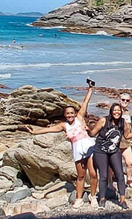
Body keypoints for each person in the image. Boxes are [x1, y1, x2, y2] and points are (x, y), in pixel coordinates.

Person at [27, 80, 98, 208]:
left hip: (89, 147)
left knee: (92, 174)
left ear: (75, 113)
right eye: (68, 114)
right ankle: (79, 199)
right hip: (77, 151)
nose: (70, 115)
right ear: (65, 115)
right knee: (81, 176)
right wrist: (35, 132)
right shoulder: (63, 125)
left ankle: (93, 197)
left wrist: (90, 90)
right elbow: (48, 129)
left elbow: (85, 103)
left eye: (72, 113)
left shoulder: (80, 118)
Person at [88, 102, 132, 210]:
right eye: (115, 110)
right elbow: (92, 134)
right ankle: (102, 199)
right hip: (101, 151)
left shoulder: (123, 122)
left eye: (118, 110)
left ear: (121, 112)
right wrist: (87, 129)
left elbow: (127, 136)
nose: (117, 112)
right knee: (104, 175)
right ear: (111, 111)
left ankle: (123, 200)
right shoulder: (104, 120)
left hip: (114, 150)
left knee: (120, 174)